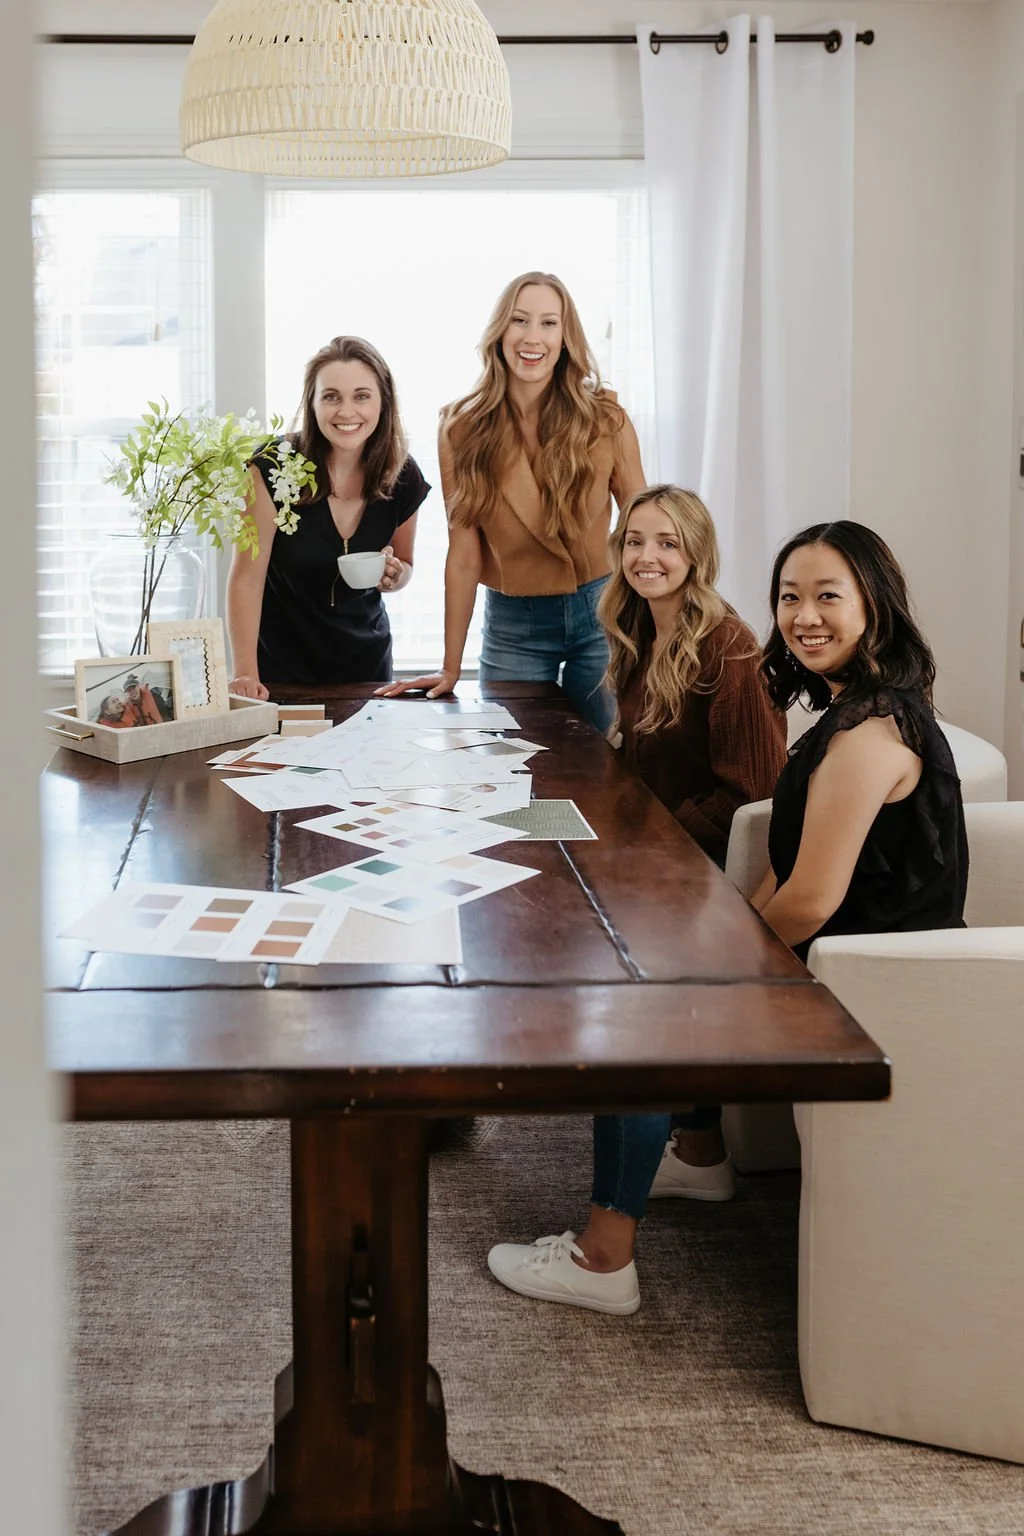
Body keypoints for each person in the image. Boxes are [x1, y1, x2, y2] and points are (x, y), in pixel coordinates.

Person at [487, 518, 967, 1315]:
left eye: (827, 597)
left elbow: (813, 899)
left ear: (875, 605)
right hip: (848, 965)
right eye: (789, 597)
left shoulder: (869, 734)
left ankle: (603, 1260)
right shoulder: (863, 710)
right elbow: (793, 862)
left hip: (864, 995)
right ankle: (699, 1155)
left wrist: (716, 969)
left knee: (639, 1012)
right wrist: (725, 933)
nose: (803, 616)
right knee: (654, 967)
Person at [376, 271, 647, 731]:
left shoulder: (606, 419)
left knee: (604, 765)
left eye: (548, 323)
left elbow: (645, 528)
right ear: (500, 331)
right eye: (520, 320)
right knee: (508, 766)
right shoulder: (461, 427)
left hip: (602, 611)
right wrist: (449, 666)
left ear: (566, 337)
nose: (532, 337)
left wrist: (656, 630)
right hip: (513, 620)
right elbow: (463, 555)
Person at [227, 336, 429, 695]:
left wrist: (396, 576)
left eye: (362, 396)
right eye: (331, 396)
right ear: (313, 403)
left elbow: (405, 564)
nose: (346, 411)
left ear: (383, 401)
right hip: (280, 673)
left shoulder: (401, 472)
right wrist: (245, 675)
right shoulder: (274, 466)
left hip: (368, 671)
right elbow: (246, 579)